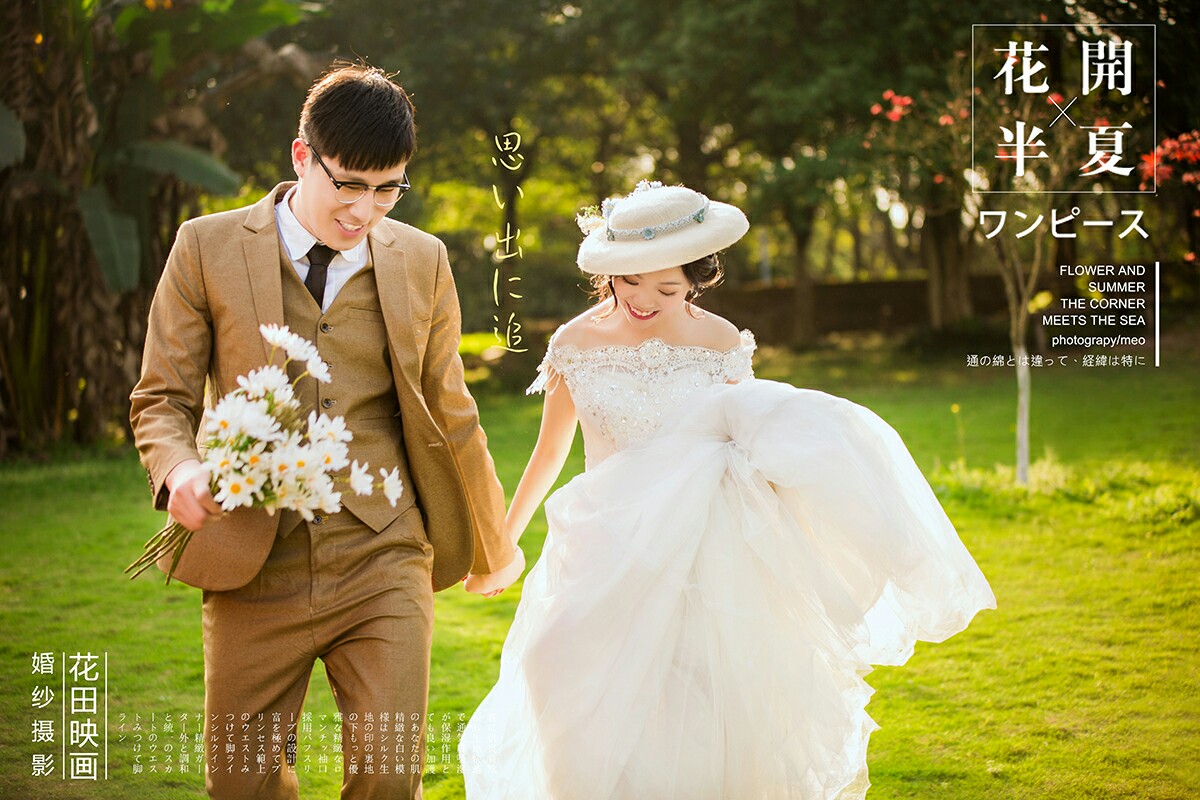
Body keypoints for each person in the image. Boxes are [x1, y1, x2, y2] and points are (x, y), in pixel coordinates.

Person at [458, 181, 997, 799]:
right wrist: (500, 543)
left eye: (666, 288)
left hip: (702, 547)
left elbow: (750, 440)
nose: (642, 299)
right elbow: (550, 452)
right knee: (556, 671)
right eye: (628, 281)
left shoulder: (721, 343)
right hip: (602, 541)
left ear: (697, 278)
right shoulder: (575, 344)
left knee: (695, 700)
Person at [129, 63, 521, 800]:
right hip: (252, 557)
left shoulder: (423, 261)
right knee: (242, 783)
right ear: (301, 156)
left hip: (384, 548)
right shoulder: (205, 246)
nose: (365, 209)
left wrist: (492, 545)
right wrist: (179, 472)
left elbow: (451, 411)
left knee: (389, 772)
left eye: (387, 188)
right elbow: (161, 399)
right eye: (348, 184)